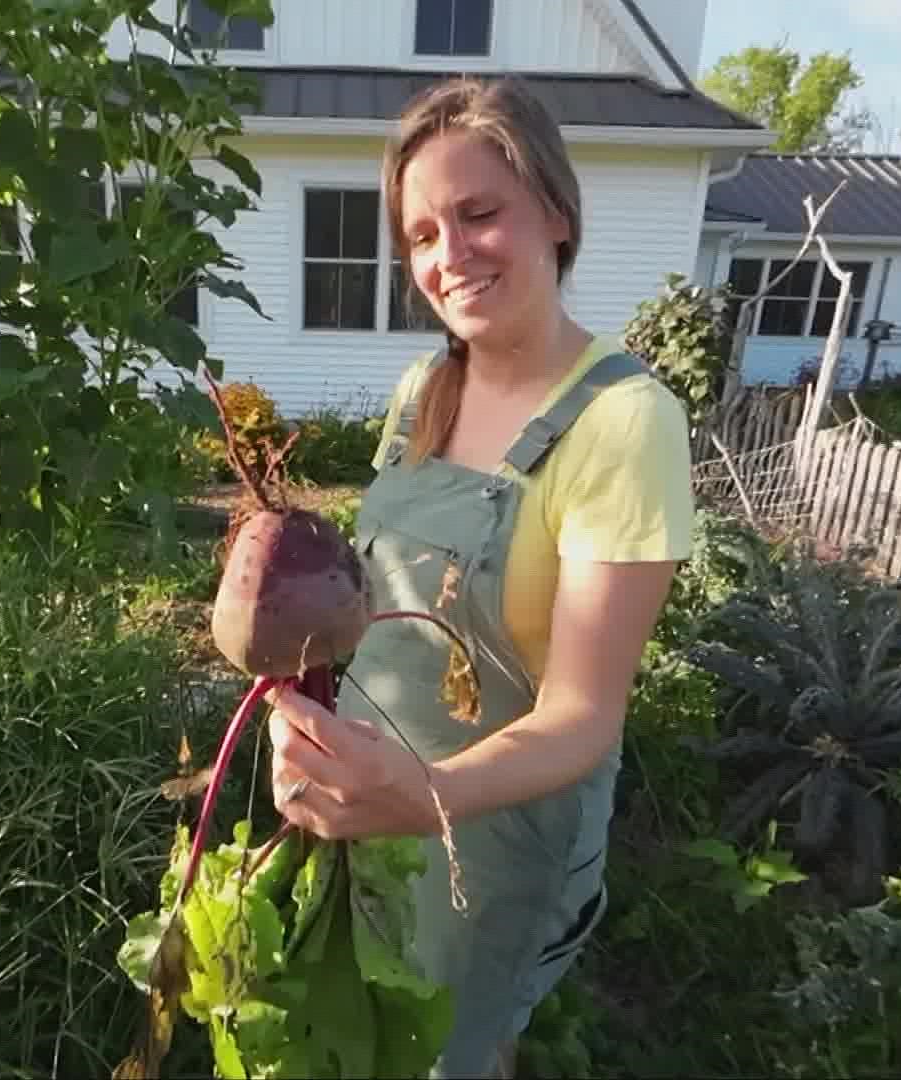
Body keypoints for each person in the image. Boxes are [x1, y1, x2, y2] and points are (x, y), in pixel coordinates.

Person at [263, 76, 696, 1078]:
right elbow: (379, 606)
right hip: (373, 793)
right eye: (420, 234)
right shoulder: (426, 388)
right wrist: (298, 682)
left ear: (554, 210)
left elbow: (584, 717)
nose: (447, 256)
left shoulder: (624, 424)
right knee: (360, 1031)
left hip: (488, 839)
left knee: (447, 1053)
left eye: (478, 214)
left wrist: (426, 795)